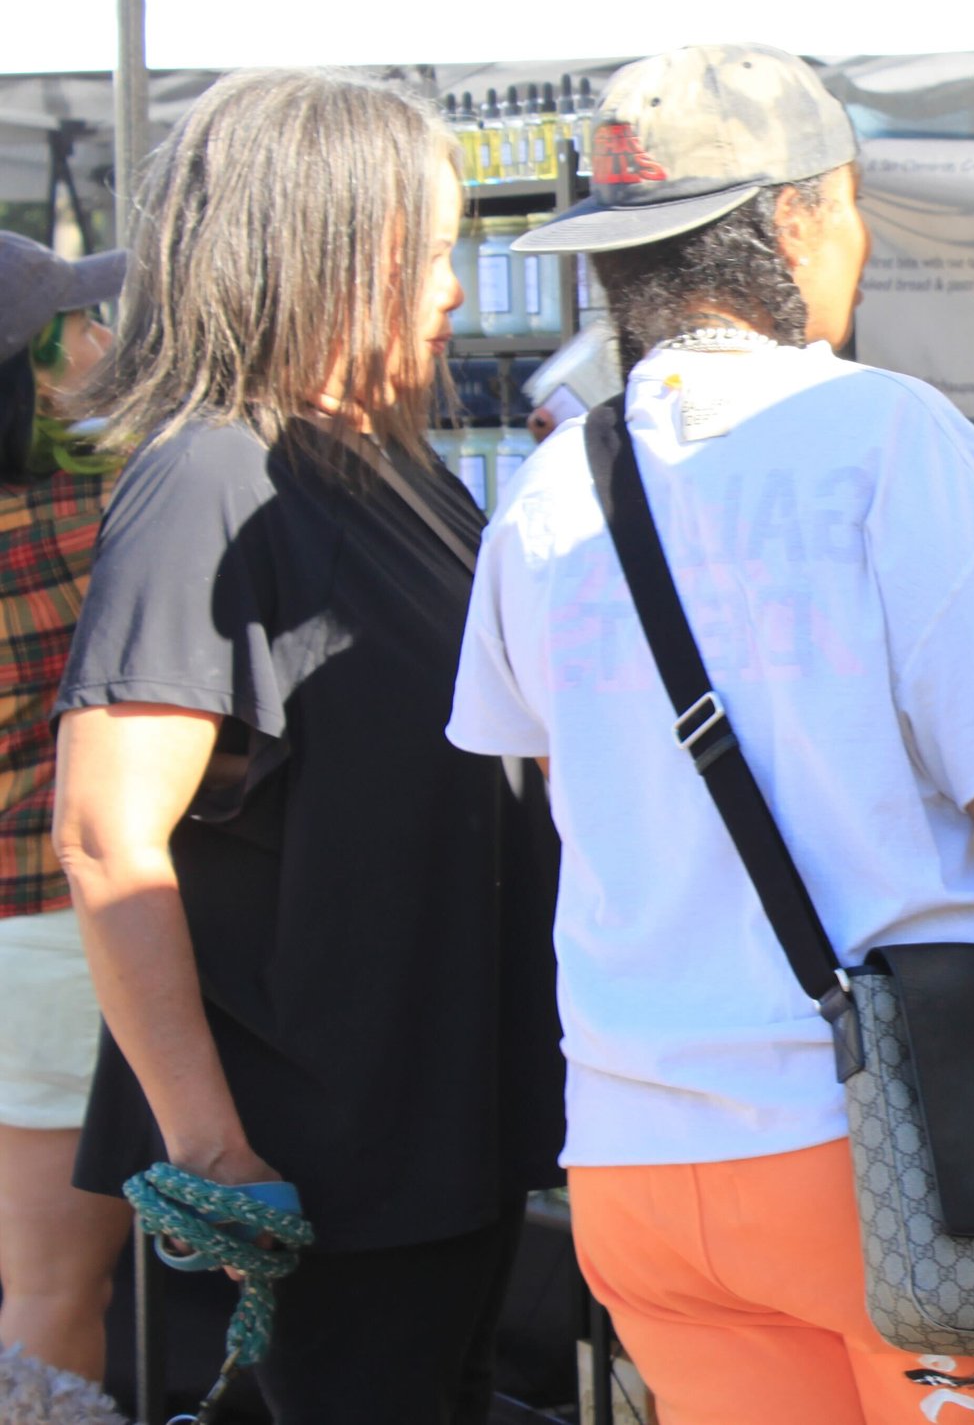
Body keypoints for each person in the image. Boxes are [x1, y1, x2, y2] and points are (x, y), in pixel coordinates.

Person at [447, 43, 974, 1425]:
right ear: (795, 216)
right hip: (900, 1156)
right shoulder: (878, 436)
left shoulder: (548, 489)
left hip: (640, 1156)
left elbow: (558, 776)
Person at [49, 71, 563, 1421]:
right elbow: (107, 835)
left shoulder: (393, 462)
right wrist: (215, 1146)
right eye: (436, 251)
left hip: (443, 1113)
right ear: (333, 250)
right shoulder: (208, 477)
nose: (455, 289)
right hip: (318, 1150)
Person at [0, 235, 127, 1405]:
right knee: (48, 1290)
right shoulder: (87, 523)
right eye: (79, 330)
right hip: (43, 930)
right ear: (29, 374)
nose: (104, 342)